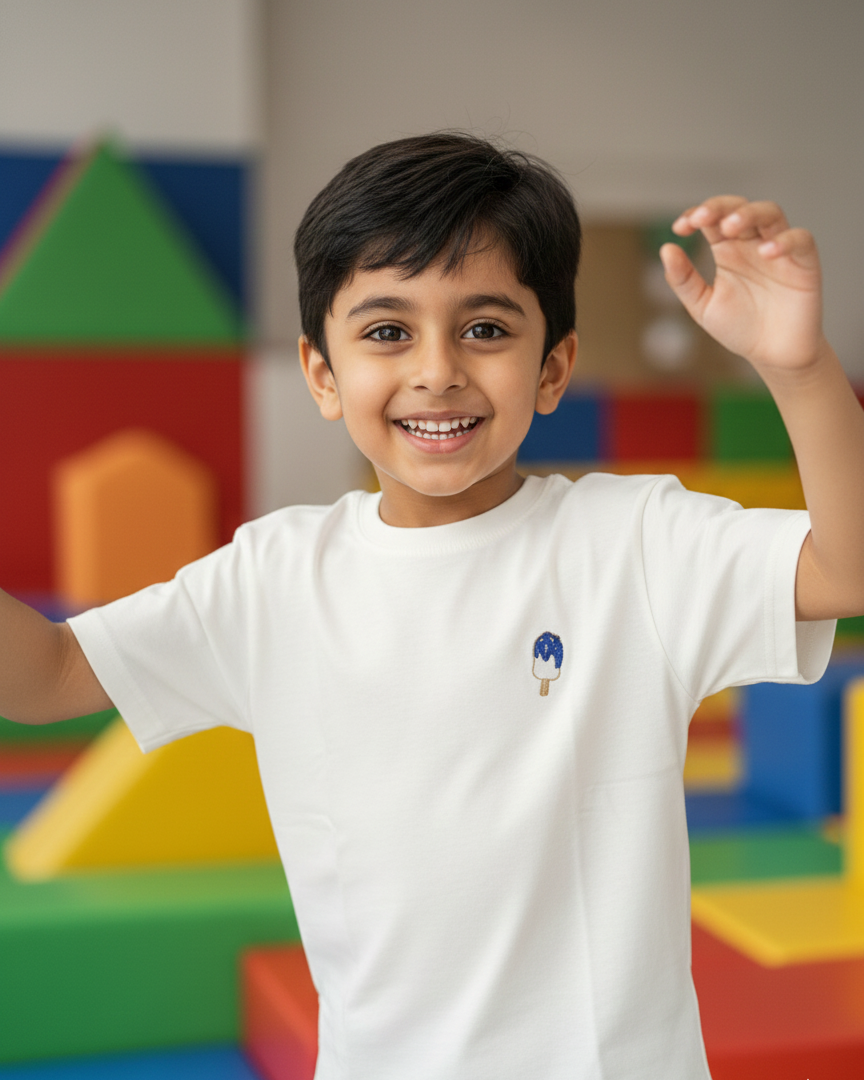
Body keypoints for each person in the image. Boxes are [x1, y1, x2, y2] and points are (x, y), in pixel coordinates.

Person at [4, 133, 864, 1079]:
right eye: (386, 331)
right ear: (322, 373)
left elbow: (846, 569)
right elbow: (43, 678)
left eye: (486, 328)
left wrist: (798, 367)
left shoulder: (633, 543)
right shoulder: (275, 578)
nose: (437, 369)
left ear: (554, 365)